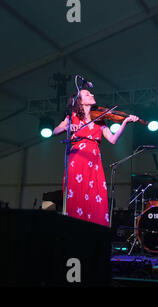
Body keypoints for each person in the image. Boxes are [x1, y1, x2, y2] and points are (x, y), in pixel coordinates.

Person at [53, 89, 139, 227]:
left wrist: (124, 122)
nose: (92, 95)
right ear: (79, 101)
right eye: (87, 94)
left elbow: (112, 139)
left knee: (95, 195)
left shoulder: (100, 120)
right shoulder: (72, 117)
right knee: (76, 195)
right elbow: (55, 131)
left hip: (94, 161)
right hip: (77, 159)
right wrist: (67, 127)